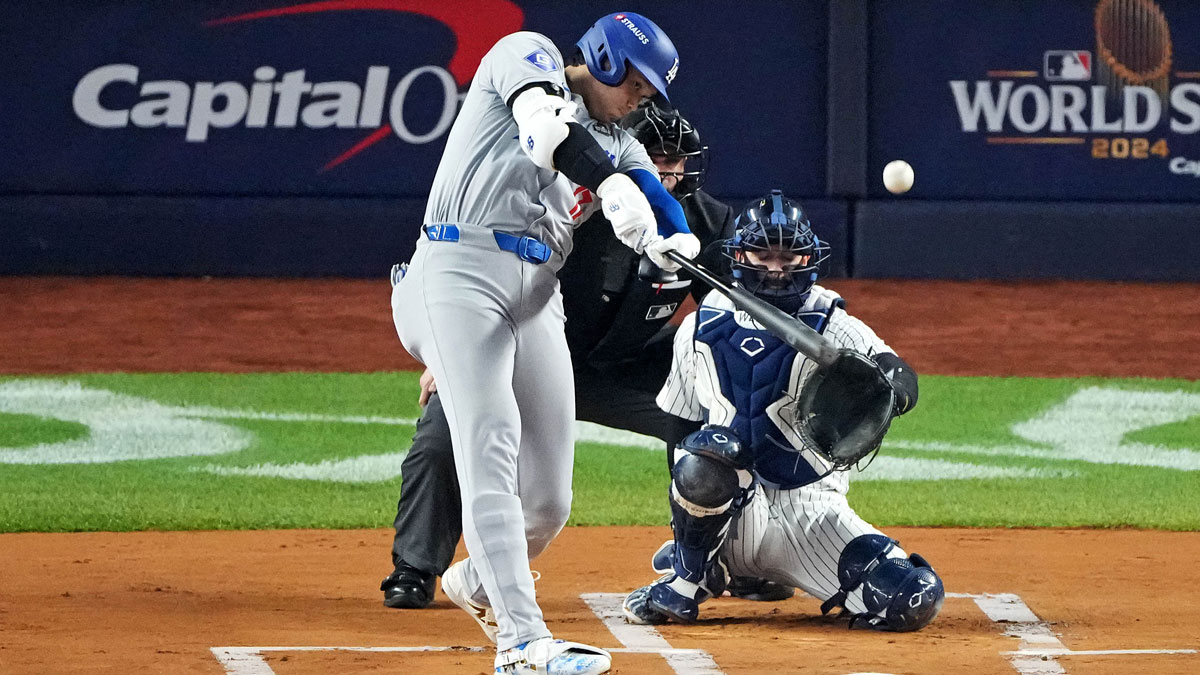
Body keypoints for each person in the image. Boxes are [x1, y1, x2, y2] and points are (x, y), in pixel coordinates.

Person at [382, 102, 794, 620]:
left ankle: (720, 559)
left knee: (719, 396)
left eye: (678, 161)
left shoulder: (704, 221)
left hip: (621, 366)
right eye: (657, 158)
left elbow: (733, 304)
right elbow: (499, 276)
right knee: (445, 431)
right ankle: (415, 568)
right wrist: (454, 343)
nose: (667, 172)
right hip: (522, 352)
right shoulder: (569, 208)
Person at [389, 13, 700, 675]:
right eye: (637, 84)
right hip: (456, 270)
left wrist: (675, 240)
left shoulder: (622, 138)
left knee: (549, 501)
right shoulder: (524, 54)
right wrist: (612, 184)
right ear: (606, 61)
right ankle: (522, 644)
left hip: (534, 296)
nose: (641, 99)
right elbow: (546, 133)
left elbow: (653, 191)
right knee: (491, 438)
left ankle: (478, 579)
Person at [621, 190, 946, 633]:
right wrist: (685, 526)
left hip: (811, 512)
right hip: (735, 508)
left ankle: (741, 573)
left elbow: (901, 375)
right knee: (709, 454)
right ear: (738, 255)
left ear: (807, 258)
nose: (776, 267)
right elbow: (681, 424)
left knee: (913, 598)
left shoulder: (832, 324)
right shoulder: (699, 328)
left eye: (788, 256)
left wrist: (891, 389)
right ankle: (691, 573)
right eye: (763, 253)